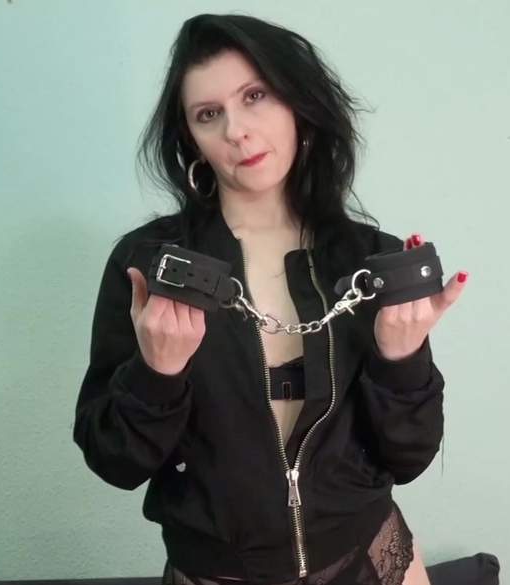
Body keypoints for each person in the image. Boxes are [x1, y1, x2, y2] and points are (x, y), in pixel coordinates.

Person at [73, 13, 469, 585]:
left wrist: (401, 359)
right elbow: (114, 460)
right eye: (208, 114)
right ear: (192, 140)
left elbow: (410, 457)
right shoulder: (151, 267)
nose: (236, 130)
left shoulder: (369, 262)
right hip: (215, 570)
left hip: (369, 558)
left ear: (297, 104)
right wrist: (157, 373)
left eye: (254, 96)